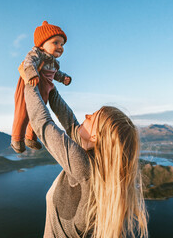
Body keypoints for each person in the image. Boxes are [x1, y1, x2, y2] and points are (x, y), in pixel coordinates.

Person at [23, 83, 149, 237]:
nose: (86, 115)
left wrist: (30, 80)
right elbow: (70, 123)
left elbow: (41, 123)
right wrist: (51, 89)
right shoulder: (98, 167)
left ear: (95, 137)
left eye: (92, 117)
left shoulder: (83, 167)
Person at [11, 21, 72, 153]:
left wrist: (64, 78)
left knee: (39, 113)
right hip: (29, 85)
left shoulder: (54, 63)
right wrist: (32, 74)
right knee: (23, 112)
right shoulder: (36, 54)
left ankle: (30, 138)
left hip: (45, 89)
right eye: (55, 42)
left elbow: (56, 74)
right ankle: (17, 139)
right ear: (42, 44)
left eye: (62, 44)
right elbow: (28, 63)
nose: (60, 47)